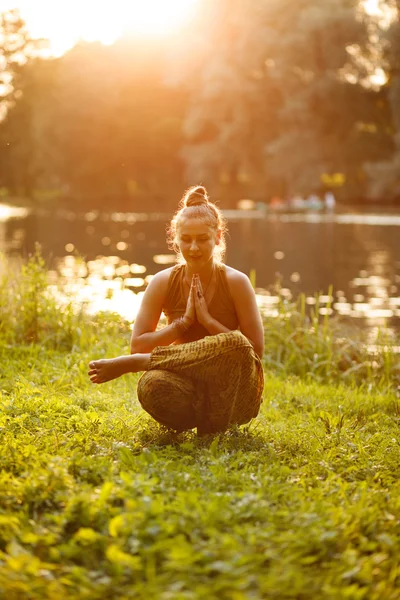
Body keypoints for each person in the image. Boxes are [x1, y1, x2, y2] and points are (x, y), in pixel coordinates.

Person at [88, 185, 264, 436]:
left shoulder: (237, 283)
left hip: (233, 392)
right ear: (175, 237)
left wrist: (208, 321)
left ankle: (135, 365)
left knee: (238, 343)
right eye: (187, 239)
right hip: (185, 386)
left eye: (202, 239)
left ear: (217, 237)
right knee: (150, 385)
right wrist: (182, 324)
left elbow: (255, 351)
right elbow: (138, 345)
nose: (194, 248)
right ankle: (205, 425)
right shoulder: (162, 282)